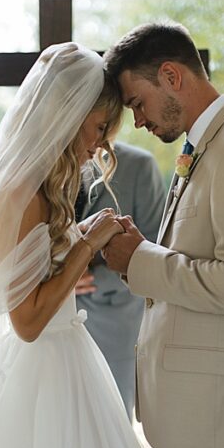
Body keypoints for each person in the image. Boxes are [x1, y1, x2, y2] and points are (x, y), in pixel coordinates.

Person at [0, 42, 158, 448]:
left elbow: (38, 265)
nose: (102, 144)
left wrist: (83, 231)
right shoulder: (23, 192)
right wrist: (88, 243)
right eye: (99, 127)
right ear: (66, 113)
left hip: (68, 360)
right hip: (46, 370)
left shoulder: (37, 186)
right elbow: (26, 322)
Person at [102, 23, 224, 448]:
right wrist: (141, 252)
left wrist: (141, 260)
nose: (137, 121)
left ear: (171, 76)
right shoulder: (206, 146)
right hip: (193, 409)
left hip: (211, 412)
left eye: (137, 102)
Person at [74, 142, 165, 417]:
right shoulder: (46, 164)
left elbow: (155, 246)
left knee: (111, 418)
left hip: (114, 320)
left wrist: (90, 277)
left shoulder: (140, 166)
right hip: (52, 315)